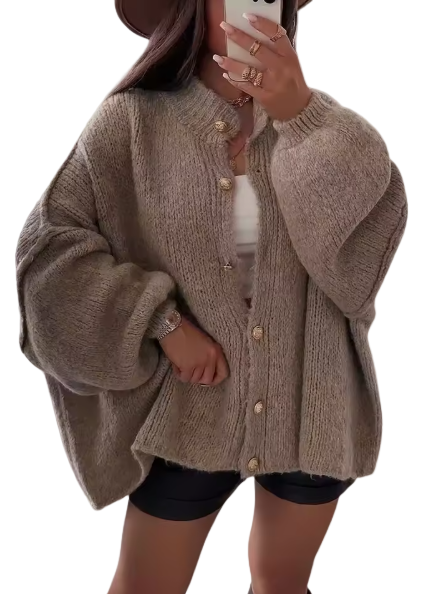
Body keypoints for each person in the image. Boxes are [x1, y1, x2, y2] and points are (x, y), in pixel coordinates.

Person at [15, 0, 408, 593]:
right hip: (191, 410)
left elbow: (361, 263)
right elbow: (49, 254)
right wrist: (161, 323)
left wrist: (299, 118)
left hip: (312, 405)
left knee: (281, 583)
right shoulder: (131, 122)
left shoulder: (326, 126)